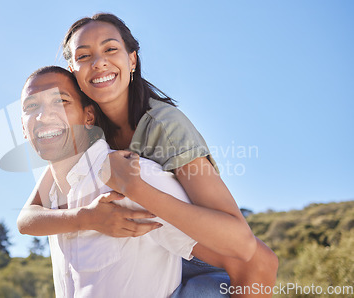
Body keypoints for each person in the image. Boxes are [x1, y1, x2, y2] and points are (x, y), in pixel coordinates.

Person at [59, 13, 279, 297]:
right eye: (84, 55)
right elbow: (31, 214)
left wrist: (134, 188)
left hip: (198, 257)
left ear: (132, 60)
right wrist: (85, 217)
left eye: (110, 49)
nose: (99, 61)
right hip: (142, 252)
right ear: (72, 70)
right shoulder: (83, 129)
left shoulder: (165, 126)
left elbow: (244, 246)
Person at [19, 65, 199, 297]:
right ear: (23, 127)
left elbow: (232, 257)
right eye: (31, 106)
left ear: (88, 117)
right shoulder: (52, 197)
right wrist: (85, 218)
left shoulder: (139, 178)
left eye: (61, 101)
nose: (43, 116)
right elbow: (24, 222)